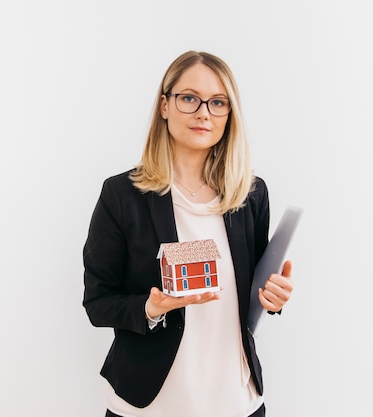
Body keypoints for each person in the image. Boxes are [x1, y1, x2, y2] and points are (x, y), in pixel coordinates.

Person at [82, 50, 293, 417]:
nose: (204, 112)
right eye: (189, 98)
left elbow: (252, 293)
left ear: (230, 114)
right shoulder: (121, 195)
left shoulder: (251, 194)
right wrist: (150, 308)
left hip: (236, 402)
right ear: (164, 105)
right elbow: (97, 303)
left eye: (218, 102)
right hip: (149, 405)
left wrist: (272, 297)